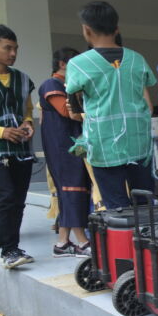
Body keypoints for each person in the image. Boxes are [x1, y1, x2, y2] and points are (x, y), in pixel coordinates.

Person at [65, 1, 156, 210]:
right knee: (145, 205)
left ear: (86, 29)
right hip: (139, 143)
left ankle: (123, 232)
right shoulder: (137, 59)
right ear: (117, 29)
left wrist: (80, 114)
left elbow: (75, 108)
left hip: (104, 145)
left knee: (116, 207)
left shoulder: (78, 64)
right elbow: (147, 102)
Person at [38, 47, 91, 257]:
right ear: (62, 64)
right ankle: (82, 241)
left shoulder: (68, 85)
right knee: (72, 190)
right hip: (62, 146)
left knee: (71, 191)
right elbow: (67, 111)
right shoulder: (52, 84)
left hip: (71, 144)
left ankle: (62, 243)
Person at [0, 24, 37, 269]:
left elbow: (28, 109)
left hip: (21, 150)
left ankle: (11, 245)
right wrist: (2, 131)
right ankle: (9, 250)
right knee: (7, 197)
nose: (13, 53)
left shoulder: (22, 79)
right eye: (7, 48)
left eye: (15, 49)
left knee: (19, 200)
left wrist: (28, 123)